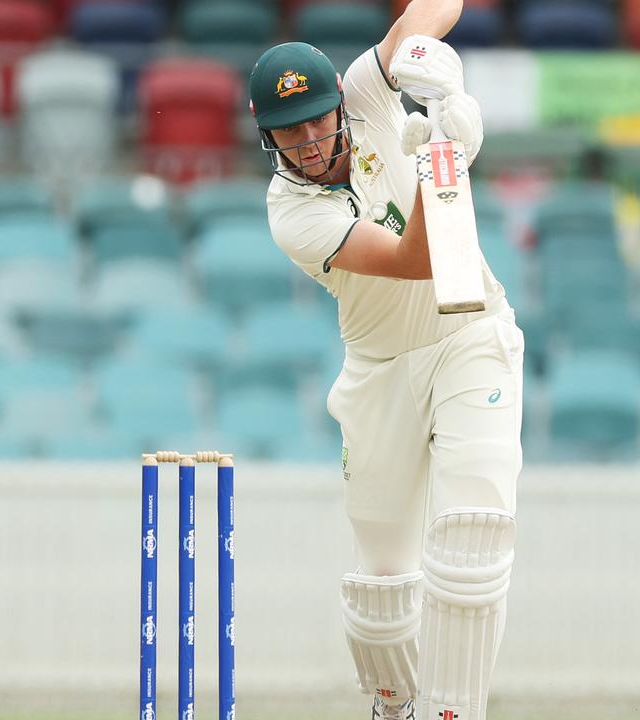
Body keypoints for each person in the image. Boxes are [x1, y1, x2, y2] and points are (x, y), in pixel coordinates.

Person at [246, 2, 522, 719]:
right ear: (266, 136)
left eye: (318, 118)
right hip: (378, 371)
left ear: (341, 100)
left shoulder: (368, 96)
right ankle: (393, 705)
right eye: (289, 128)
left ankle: (451, 712)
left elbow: (436, 6)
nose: (309, 139)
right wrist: (443, 157)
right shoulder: (291, 211)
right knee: (381, 586)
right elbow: (416, 258)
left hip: (469, 337)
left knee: (471, 534)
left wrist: (417, 61)